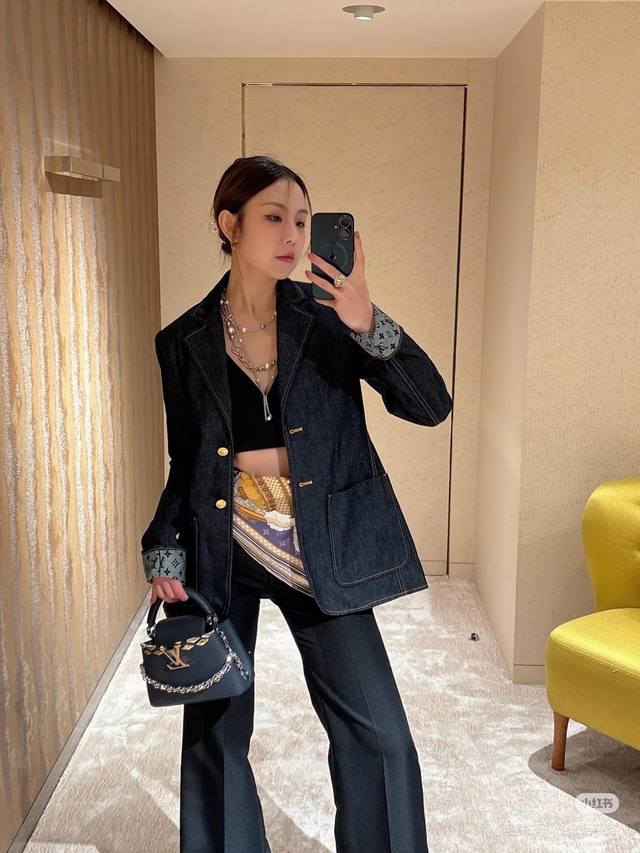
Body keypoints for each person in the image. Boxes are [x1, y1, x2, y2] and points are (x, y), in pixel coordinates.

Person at [140, 155, 452, 852]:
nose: (293, 235)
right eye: (274, 217)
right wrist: (164, 547)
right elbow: (185, 460)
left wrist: (368, 321)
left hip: (319, 542)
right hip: (224, 542)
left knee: (380, 736)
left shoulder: (331, 318)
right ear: (230, 225)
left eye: (303, 221)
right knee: (216, 734)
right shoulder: (181, 341)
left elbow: (431, 405)